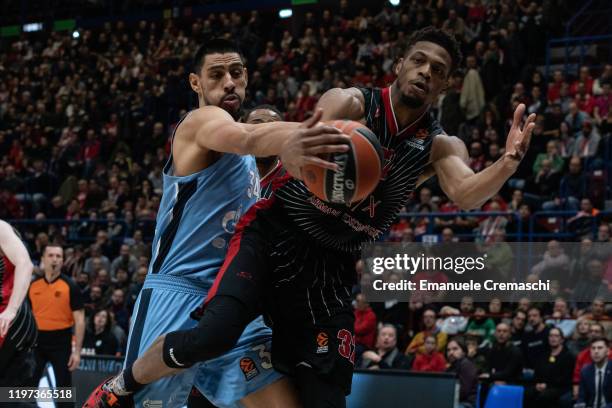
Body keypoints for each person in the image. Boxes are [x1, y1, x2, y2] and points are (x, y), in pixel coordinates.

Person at [89, 27, 535, 408]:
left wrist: (507, 164)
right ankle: (119, 386)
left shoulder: (437, 145)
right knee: (202, 347)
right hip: (216, 271)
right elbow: (256, 135)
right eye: (419, 61)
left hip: (325, 271)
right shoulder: (212, 121)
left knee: (313, 393)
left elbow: (465, 191)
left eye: (438, 70)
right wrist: (301, 141)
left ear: (447, 85)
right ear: (399, 64)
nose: (425, 72)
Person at [86, 38, 346, 408]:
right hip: (177, 294)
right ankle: (118, 387)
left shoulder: (253, 170)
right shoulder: (201, 122)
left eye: (236, 73)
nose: (228, 82)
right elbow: (249, 136)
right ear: (195, 83)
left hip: (229, 301)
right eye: (217, 74)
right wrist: (319, 133)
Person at [29, 244, 84, 408]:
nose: (54, 259)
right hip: (36, 341)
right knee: (28, 386)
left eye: (58, 256)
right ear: (43, 259)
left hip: (61, 341)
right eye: (51, 255)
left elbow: (80, 320)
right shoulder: (33, 286)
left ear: (63, 261)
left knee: (64, 389)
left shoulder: (70, 286)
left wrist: (77, 352)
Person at [0, 220, 37, 387]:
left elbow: (25, 264)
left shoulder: (1, 228)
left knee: (10, 397)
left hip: (11, 321)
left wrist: (11, 310)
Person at [524, 327, 574, 408]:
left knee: (544, 396)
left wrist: (547, 385)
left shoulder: (568, 356)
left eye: (556, 336)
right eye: (551, 336)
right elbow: (537, 372)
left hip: (559, 387)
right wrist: (537, 385)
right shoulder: (543, 354)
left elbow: (565, 378)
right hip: (542, 385)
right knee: (527, 392)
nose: (553, 338)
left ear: (562, 339)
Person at [576, 338, 612, 408]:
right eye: (593, 348)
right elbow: (581, 397)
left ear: (608, 351)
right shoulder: (585, 371)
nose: (596, 351)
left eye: (600, 348)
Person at [446, 338, 478, 408]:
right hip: (451, 402)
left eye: (455, 349)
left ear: (463, 352)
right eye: (448, 350)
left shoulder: (467, 365)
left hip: (465, 404)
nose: (451, 352)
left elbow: (463, 392)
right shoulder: (449, 368)